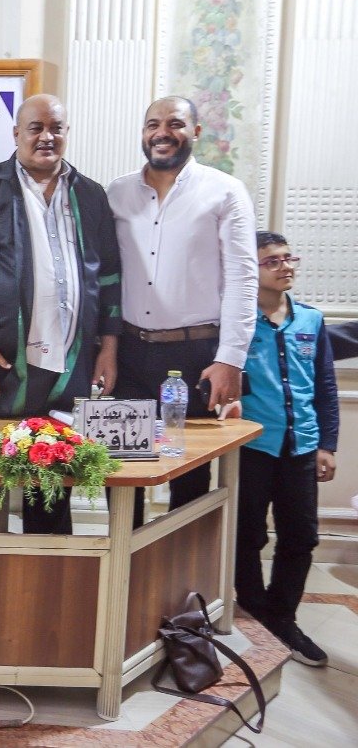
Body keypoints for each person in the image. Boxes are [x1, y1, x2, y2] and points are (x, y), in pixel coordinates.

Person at [0, 95, 121, 535]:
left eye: (56, 128)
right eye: (35, 128)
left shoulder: (90, 195)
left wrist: (108, 349)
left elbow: (109, 277)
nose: (47, 136)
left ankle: (49, 572)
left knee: (51, 482)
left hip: (69, 363)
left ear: (67, 133)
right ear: (16, 134)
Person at [107, 97, 257, 524]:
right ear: (143, 133)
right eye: (152, 124)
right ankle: (125, 559)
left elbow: (243, 279)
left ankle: (179, 564)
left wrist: (230, 359)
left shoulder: (225, 191)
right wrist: (105, 346)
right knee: (121, 468)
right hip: (129, 353)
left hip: (196, 356)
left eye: (175, 123)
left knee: (189, 476)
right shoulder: (116, 193)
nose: (162, 133)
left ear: (196, 132)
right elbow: (101, 275)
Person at [236, 231, 338, 666]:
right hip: (253, 446)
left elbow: (325, 387)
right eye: (272, 261)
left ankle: (282, 616)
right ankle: (254, 606)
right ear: (252, 270)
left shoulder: (310, 320)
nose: (285, 267)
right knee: (247, 534)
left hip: (302, 447)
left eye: (288, 258)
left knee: (301, 536)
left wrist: (327, 444)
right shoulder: (238, 323)